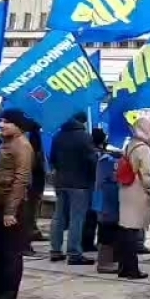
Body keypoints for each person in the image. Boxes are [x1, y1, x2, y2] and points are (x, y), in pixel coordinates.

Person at [0, 109, 33, 299]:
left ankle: (7, 298)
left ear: (18, 126)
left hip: (10, 207)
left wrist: (10, 211)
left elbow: (21, 179)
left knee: (9, 253)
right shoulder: (6, 143)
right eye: (1, 121)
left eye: (7, 122)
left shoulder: (22, 146)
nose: (2, 125)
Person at [48, 112, 97, 265]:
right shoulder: (84, 137)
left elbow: (52, 159)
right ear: (82, 121)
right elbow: (92, 161)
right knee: (77, 218)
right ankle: (74, 253)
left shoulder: (58, 135)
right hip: (80, 183)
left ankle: (55, 250)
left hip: (61, 181)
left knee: (58, 217)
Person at [116, 116, 150, 279]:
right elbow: (147, 175)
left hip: (126, 190)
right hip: (138, 192)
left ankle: (123, 267)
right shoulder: (144, 149)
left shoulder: (130, 144)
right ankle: (132, 269)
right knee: (133, 232)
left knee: (126, 230)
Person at [92, 129, 121, 274]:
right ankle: (105, 263)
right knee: (106, 231)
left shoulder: (104, 159)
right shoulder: (106, 161)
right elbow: (108, 180)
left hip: (105, 201)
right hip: (106, 202)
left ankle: (108, 261)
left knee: (108, 230)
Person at [22, 121, 47, 256]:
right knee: (27, 212)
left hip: (36, 178)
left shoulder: (35, 135)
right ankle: (24, 243)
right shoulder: (27, 138)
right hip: (31, 180)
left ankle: (32, 232)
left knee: (32, 209)